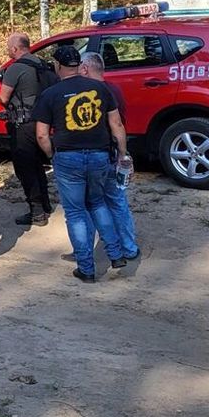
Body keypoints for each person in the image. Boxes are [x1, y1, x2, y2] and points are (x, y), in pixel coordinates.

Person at [33, 45, 127, 282]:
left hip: (68, 157)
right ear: (78, 65)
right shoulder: (101, 88)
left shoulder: (50, 94)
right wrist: (122, 153)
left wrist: (51, 155)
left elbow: (42, 135)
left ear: (58, 65)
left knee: (75, 212)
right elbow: (116, 124)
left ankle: (86, 268)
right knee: (98, 203)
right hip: (99, 155)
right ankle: (116, 254)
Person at [79, 51, 140, 260]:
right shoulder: (114, 89)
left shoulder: (88, 93)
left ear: (85, 68)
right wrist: (123, 154)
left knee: (88, 204)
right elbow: (119, 124)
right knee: (117, 202)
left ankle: (84, 251)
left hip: (95, 155)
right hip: (112, 153)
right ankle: (129, 247)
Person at [0, 33, 54, 227]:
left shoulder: (15, 68)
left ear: (15, 49)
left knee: (26, 168)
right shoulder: (42, 64)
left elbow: (3, 98)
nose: (7, 50)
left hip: (23, 125)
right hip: (42, 123)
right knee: (38, 165)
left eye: (8, 47)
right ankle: (45, 205)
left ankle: (37, 213)